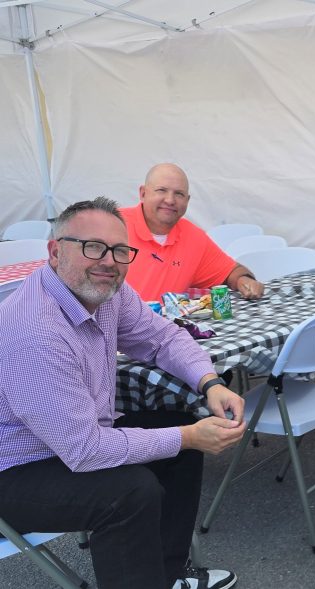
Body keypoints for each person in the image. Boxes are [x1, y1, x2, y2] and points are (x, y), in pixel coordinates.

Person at [0, 197, 246, 589]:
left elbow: (161, 337)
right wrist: (189, 437)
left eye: (119, 250)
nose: (109, 261)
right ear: (54, 251)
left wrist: (209, 382)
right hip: (15, 470)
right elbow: (85, 451)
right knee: (130, 493)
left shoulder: (105, 291)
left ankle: (168, 577)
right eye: (92, 247)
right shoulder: (35, 331)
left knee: (181, 438)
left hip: (70, 438)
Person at [121, 163, 265, 301]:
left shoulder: (194, 238)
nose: (170, 200)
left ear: (187, 200)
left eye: (179, 194)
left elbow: (230, 272)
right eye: (161, 190)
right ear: (143, 193)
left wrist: (244, 280)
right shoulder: (111, 225)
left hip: (166, 325)